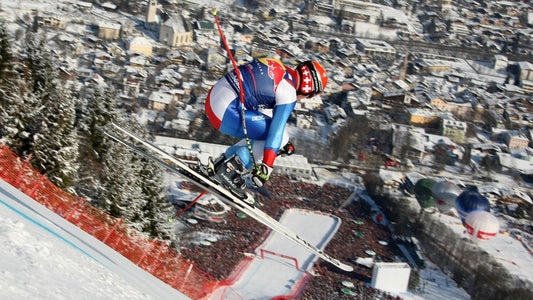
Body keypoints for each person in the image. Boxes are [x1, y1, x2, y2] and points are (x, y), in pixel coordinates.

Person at [200, 57, 327, 198]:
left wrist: (276, 149)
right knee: (282, 137)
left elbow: (264, 113)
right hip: (225, 112)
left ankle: (224, 164)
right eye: (310, 96)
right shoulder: (289, 91)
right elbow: (276, 131)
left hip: (214, 99)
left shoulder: (279, 66)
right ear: (308, 89)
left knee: (279, 140)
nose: (305, 98)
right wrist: (267, 167)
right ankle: (230, 169)